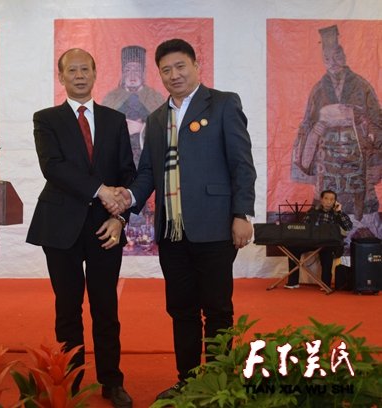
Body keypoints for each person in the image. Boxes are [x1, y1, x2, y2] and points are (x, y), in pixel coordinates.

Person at [109, 38, 256, 400]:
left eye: (180, 66)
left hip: (214, 226)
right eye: (166, 70)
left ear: (196, 66)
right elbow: (148, 172)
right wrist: (129, 198)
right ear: (159, 75)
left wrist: (241, 213)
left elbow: (242, 163)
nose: (174, 75)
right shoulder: (157, 118)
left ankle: (219, 385)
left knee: (218, 310)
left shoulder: (223, 104)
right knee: (181, 309)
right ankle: (188, 383)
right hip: (172, 232)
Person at [26, 48, 135, 407]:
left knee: (106, 309)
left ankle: (111, 382)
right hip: (60, 227)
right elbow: (53, 167)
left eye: (84, 69)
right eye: (71, 70)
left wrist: (120, 217)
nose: (79, 75)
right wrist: (101, 190)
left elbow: (127, 172)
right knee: (68, 309)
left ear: (95, 73)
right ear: (61, 77)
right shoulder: (46, 119)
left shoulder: (115, 120)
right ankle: (70, 383)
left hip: (106, 228)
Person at [291, 25, 382, 246]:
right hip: (328, 169)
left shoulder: (362, 86)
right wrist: (318, 128)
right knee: (327, 229)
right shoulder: (318, 90)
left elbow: (378, 123)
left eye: (337, 55)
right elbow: (307, 126)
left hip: (358, 169)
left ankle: (364, 259)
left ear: (344, 55)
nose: (332, 62)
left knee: (366, 228)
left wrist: (358, 119)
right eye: (327, 58)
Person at [102, 45, 165, 254]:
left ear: (143, 72)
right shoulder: (111, 98)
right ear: (122, 72)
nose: (132, 75)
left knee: (143, 192)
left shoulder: (155, 97)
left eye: (136, 70)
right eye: (128, 70)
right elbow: (102, 132)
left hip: (146, 158)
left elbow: (164, 129)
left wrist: (141, 128)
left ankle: (145, 234)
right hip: (119, 158)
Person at [284, 189, 353, 290]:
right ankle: (293, 282)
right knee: (292, 249)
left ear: (335, 202)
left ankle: (325, 284)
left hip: (328, 243)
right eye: (326, 199)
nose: (328, 202)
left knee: (327, 252)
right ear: (321, 200)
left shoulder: (337, 214)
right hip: (312, 241)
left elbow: (348, 227)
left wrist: (339, 212)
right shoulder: (313, 212)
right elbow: (304, 226)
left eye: (332, 199)